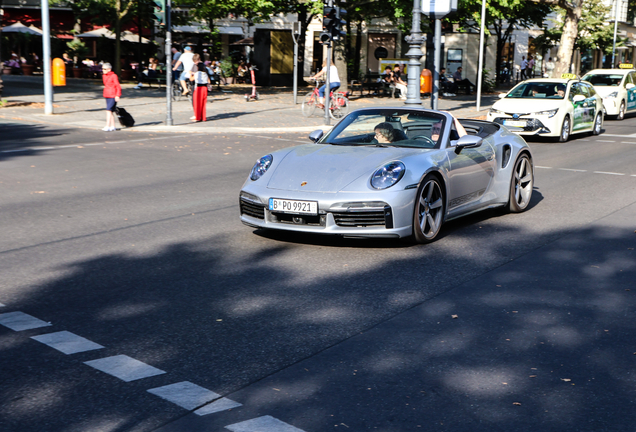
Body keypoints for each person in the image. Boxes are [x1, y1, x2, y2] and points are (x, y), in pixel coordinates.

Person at [101, 62, 121, 132]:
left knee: (108, 110)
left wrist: (117, 95)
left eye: (104, 69)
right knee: (111, 111)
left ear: (109, 69)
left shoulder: (114, 76)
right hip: (107, 94)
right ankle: (113, 126)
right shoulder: (104, 76)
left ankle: (107, 125)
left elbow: (117, 86)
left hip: (113, 95)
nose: (103, 70)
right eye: (102, 69)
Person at [191, 58, 211, 122]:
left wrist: (190, 74)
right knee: (203, 103)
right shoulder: (205, 73)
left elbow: (191, 79)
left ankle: (197, 117)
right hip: (204, 88)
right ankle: (203, 117)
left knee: (197, 103)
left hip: (198, 88)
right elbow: (209, 81)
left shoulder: (197, 73)